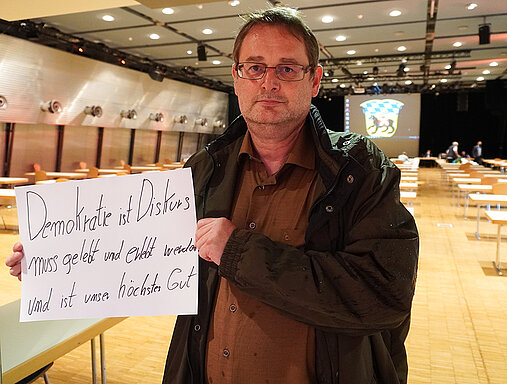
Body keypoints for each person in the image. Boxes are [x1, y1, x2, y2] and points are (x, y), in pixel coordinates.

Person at [7, 7, 419, 384]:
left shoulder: (359, 171)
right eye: (255, 67)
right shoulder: (205, 169)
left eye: (288, 68)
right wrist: (60, 263)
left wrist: (237, 251)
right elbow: (151, 259)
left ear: (314, 80)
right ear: (236, 77)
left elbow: (383, 295)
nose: (269, 82)